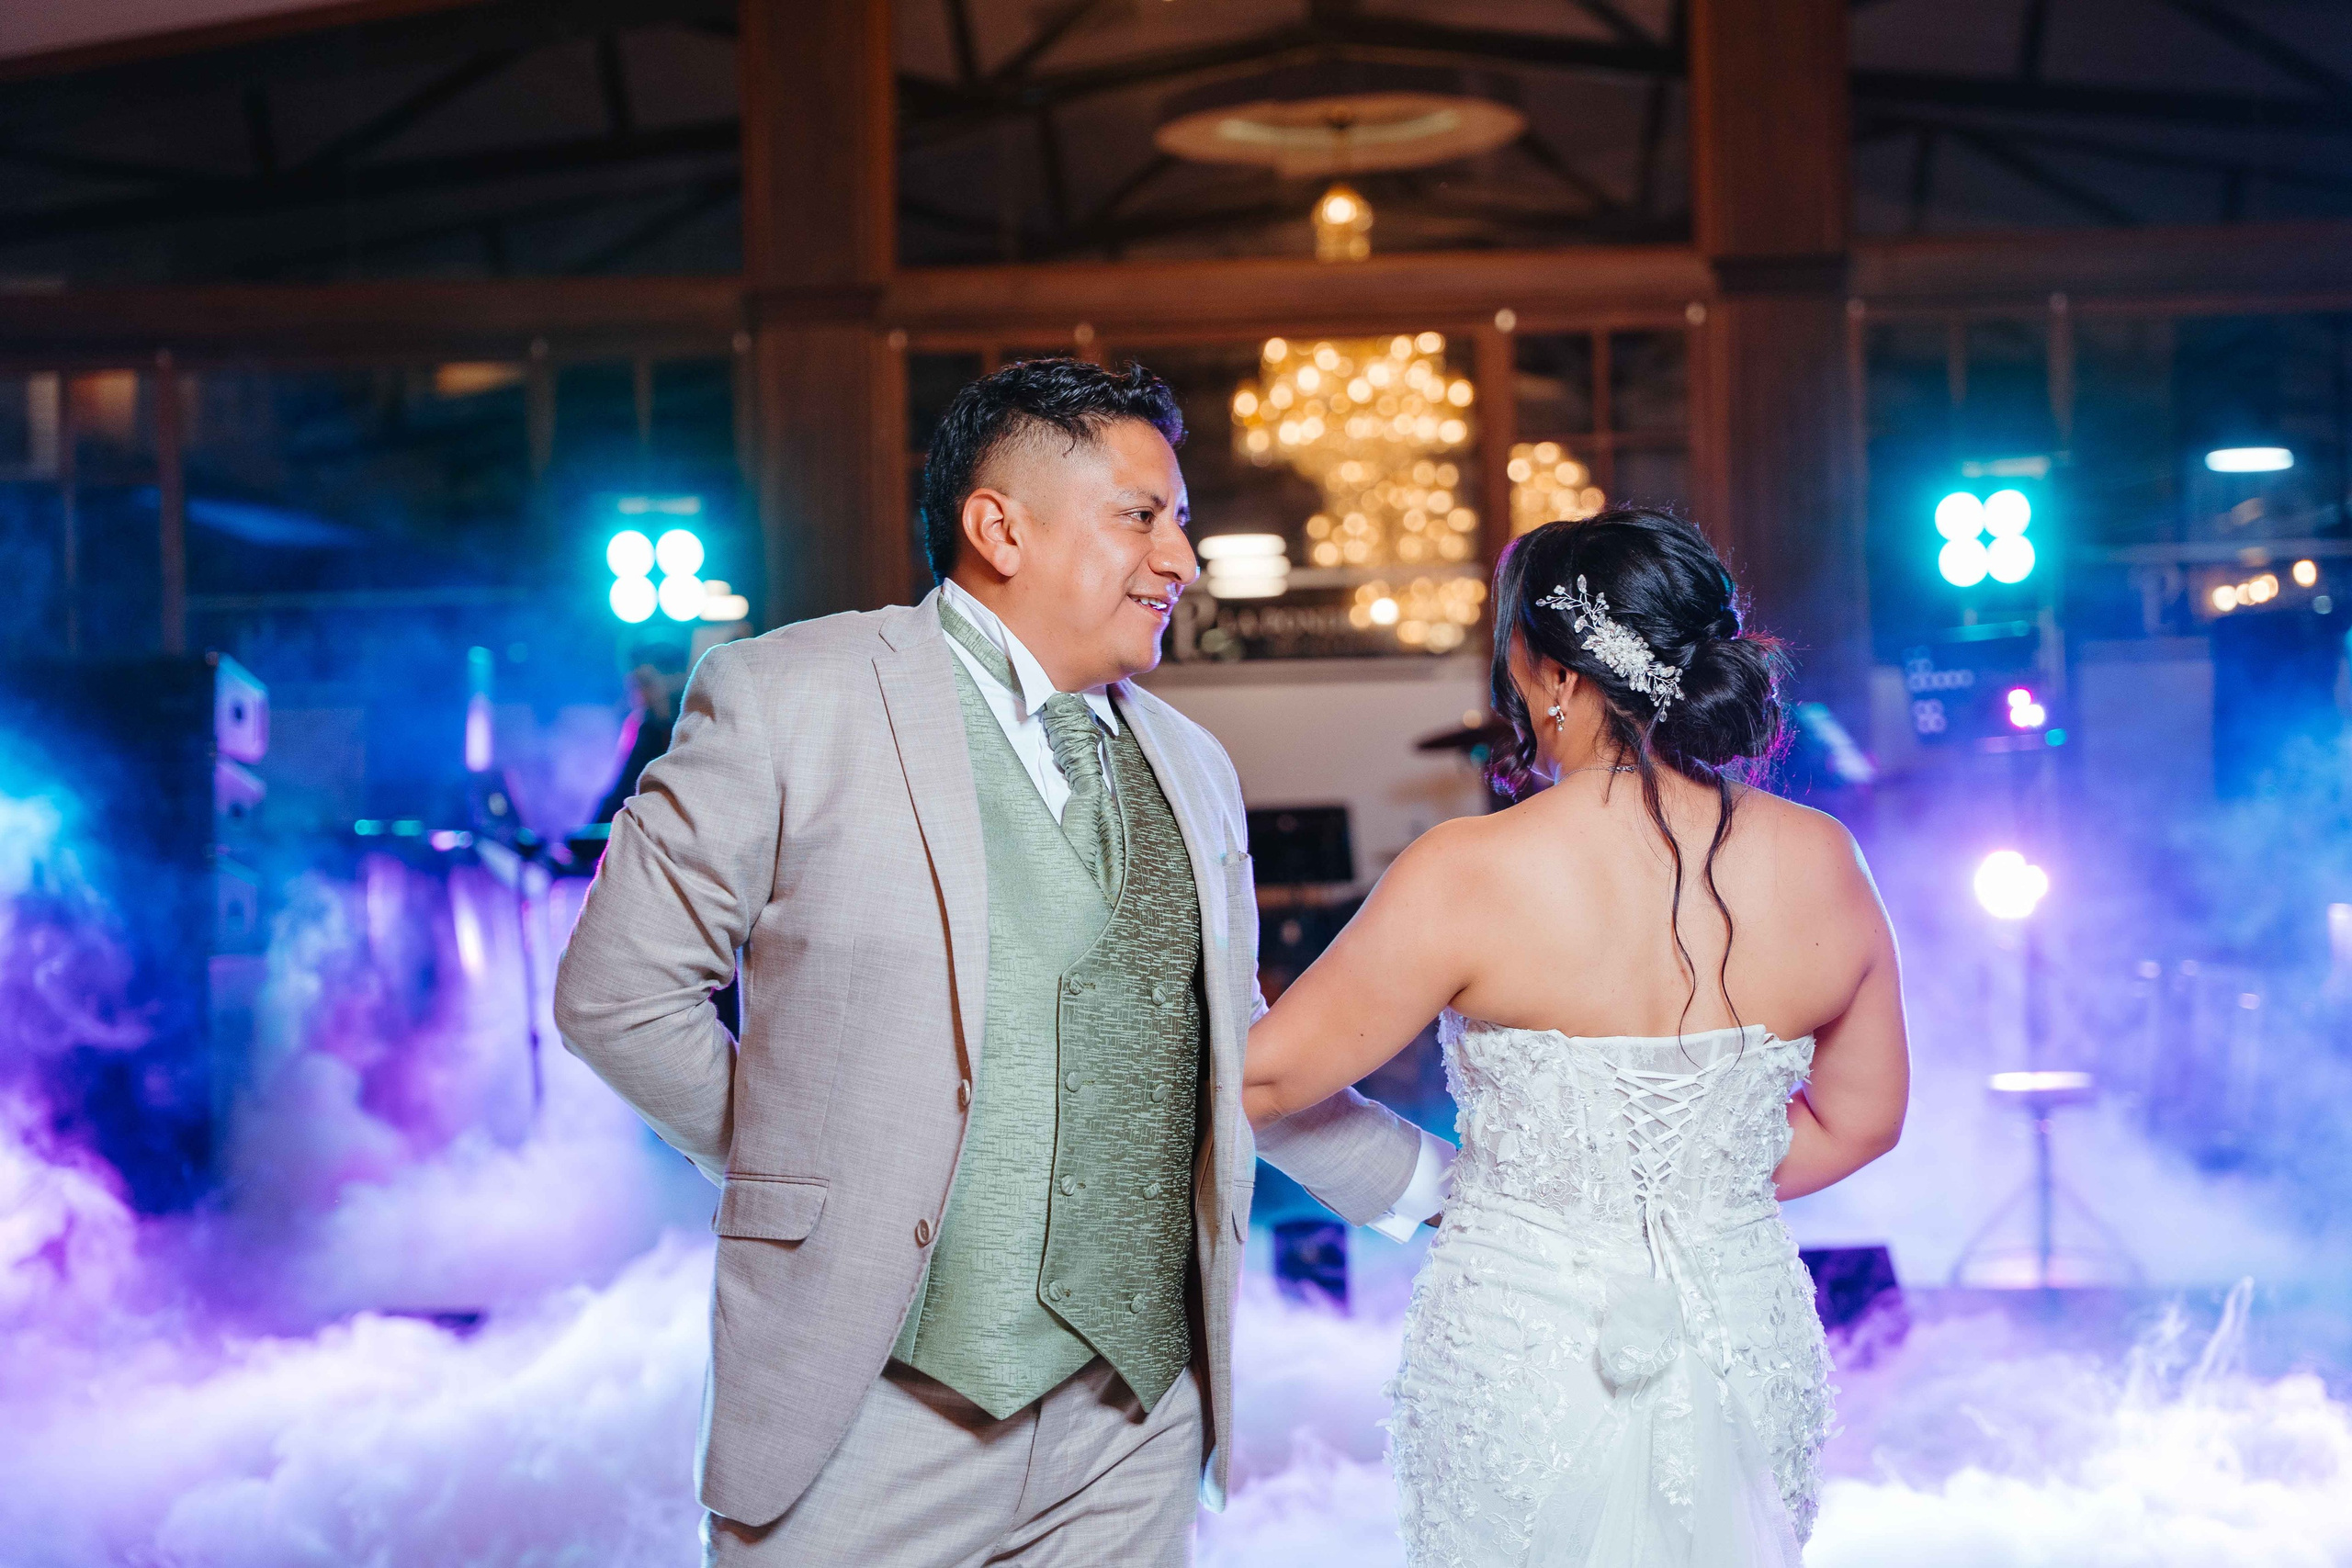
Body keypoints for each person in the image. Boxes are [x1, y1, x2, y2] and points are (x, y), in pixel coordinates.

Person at [552, 356, 1449, 1566]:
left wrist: (1460, 1199)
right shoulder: (788, 695)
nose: (1179, 559)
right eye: (1142, 515)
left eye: (1179, 521)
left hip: (1133, 1417)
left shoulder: (1194, 763)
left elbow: (1238, 1063)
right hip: (868, 1407)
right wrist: (807, 1171)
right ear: (998, 525)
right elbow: (618, 994)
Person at [1243, 509, 1910, 1566]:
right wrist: (1696, 1188)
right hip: (1741, 1327)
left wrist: (1448, 1184)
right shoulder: (1824, 858)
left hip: (1522, 1333)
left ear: (1549, 671)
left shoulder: (1467, 870)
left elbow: (1261, 1083)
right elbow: (1863, 1121)